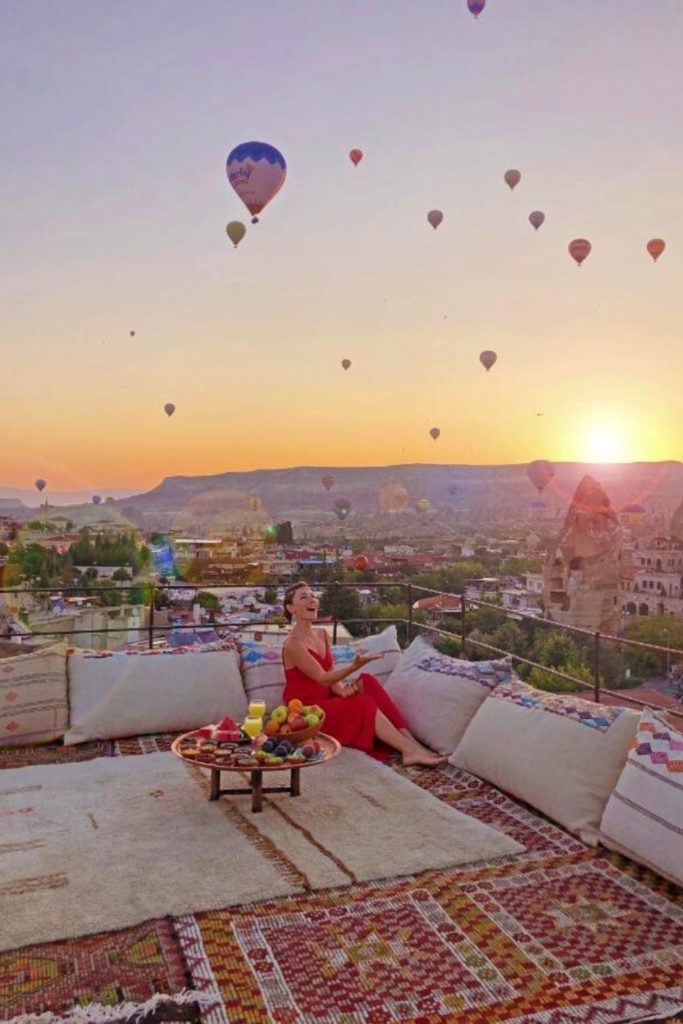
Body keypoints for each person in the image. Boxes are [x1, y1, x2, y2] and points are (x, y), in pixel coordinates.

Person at [282, 581, 446, 767]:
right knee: (363, 703)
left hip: (327, 699)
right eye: (304, 597)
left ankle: (412, 744)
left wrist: (342, 690)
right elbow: (321, 677)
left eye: (312, 595)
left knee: (368, 681)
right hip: (307, 711)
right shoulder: (292, 644)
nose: (312, 600)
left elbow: (330, 671)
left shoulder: (321, 634)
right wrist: (354, 666)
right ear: (291, 608)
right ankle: (408, 751)